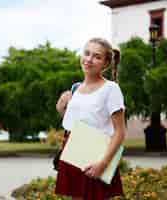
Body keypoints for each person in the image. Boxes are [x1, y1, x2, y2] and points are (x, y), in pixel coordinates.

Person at [55, 37, 126, 200]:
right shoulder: (76, 88)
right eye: (87, 53)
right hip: (73, 152)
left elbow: (120, 132)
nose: (89, 59)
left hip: (96, 156)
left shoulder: (111, 89)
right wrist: (61, 109)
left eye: (97, 56)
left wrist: (103, 164)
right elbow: (76, 123)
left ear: (105, 64)